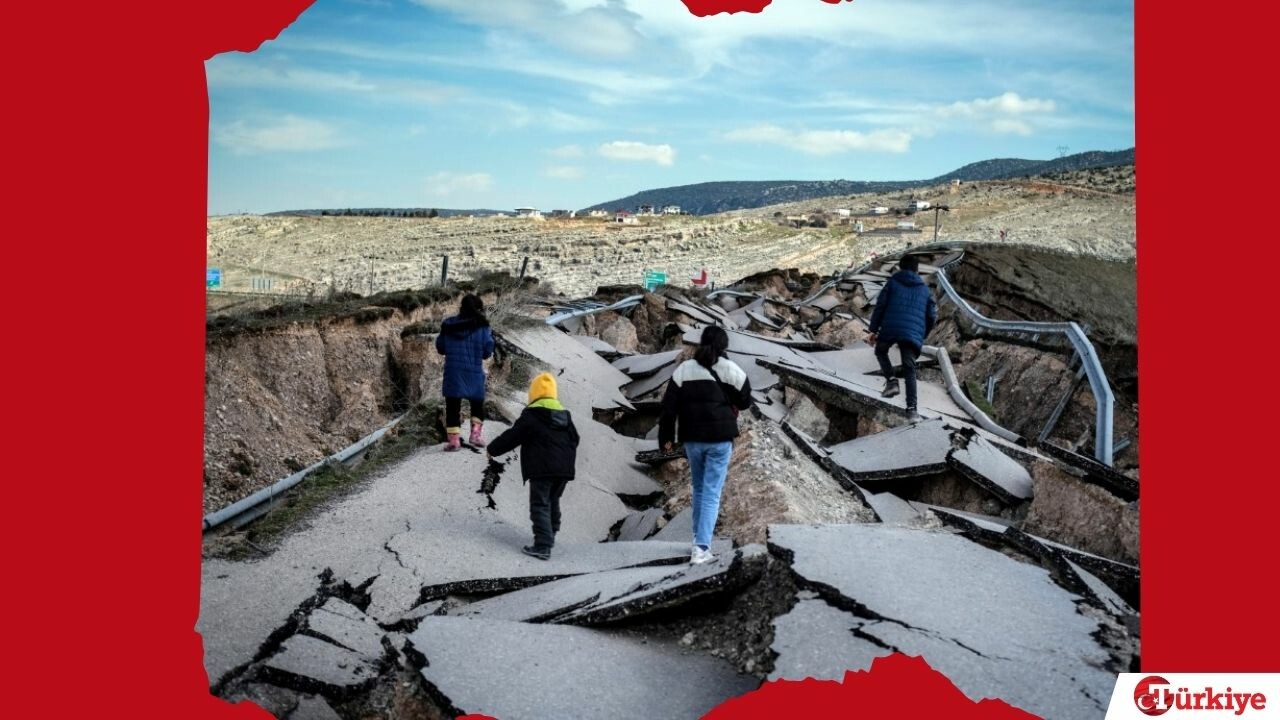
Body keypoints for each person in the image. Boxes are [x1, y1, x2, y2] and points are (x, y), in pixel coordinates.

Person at [658, 326, 753, 565]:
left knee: (699, 489)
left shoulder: (684, 370)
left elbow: (668, 408)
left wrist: (666, 438)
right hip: (720, 440)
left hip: (693, 439)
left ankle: (697, 540)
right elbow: (745, 401)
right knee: (711, 493)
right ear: (724, 346)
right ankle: (701, 549)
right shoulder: (731, 369)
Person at [487, 372, 580, 560]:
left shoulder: (532, 415)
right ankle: (550, 533)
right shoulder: (565, 417)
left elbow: (513, 437)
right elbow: (575, 439)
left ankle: (543, 546)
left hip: (542, 469)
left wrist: (492, 449)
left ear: (533, 394)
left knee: (539, 504)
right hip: (564, 470)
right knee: (553, 501)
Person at [867, 254, 937, 420]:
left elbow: (880, 305)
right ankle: (912, 410)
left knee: (881, 350)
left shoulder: (893, 282)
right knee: (909, 368)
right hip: (912, 332)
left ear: (900, 267)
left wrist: (873, 330)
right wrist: (922, 334)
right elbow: (932, 315)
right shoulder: (924, 289)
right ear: (917, 270)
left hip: (890, 327)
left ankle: (891, 382)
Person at [435, 294, 495, 451]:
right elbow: (487, 352)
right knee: (477, 404)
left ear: (461, 307)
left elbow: (440, 348)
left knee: (453, 406)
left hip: (453, 372)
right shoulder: (483, 327)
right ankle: (475, 435)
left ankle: (454, 441)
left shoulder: (448, 325)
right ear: (480, 309)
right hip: (474, 371)